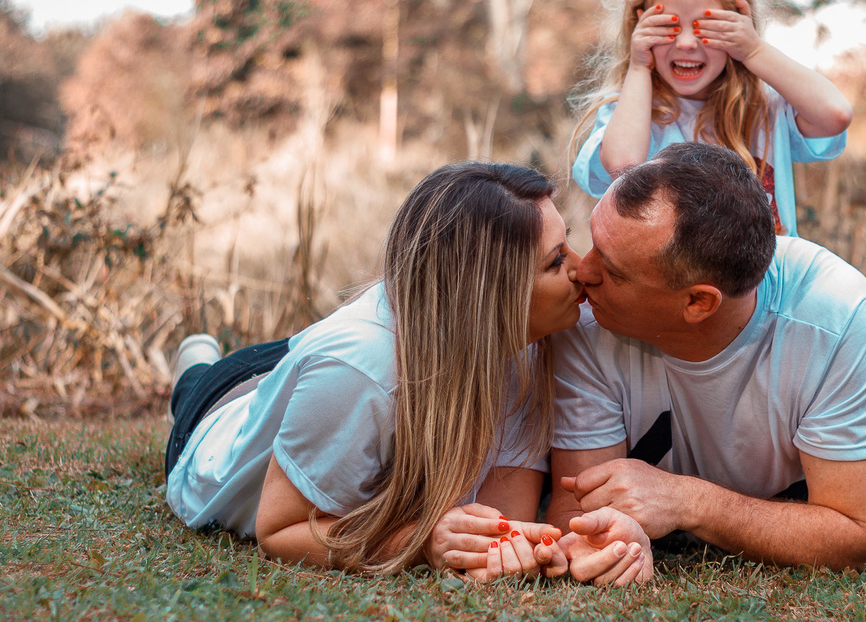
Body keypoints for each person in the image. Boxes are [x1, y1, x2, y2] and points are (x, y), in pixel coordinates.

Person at [164, 162, 647, 584]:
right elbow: (281, 531)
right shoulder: (356, 370)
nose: (582, 270)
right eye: (555, 260)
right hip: (222, 412)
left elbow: (502, 521)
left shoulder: (528, 342)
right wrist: (421, 545)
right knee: (200, 384)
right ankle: (194, 364)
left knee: (320, 366)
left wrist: (527, 547)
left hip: (329, 366)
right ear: (488, 295)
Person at [548, 143, 866, 575]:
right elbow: (576, 510)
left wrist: (688, 501)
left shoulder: (840, 320)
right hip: (721, 463)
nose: (582, 273)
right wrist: (602, 538)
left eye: (613, 269)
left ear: (699, 302)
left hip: (803, 479)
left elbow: (856, 541)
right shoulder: (587, 317)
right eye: (593, 244)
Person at [572, 0, 852, 236]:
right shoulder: (628, 111)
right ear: (639, 25)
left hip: (767, 280)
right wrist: (639, 67)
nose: (687, 43)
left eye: (709, 28)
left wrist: (754, 52)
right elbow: (623, 165)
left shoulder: (766, 108)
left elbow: (836, 114)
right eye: (669, 26)